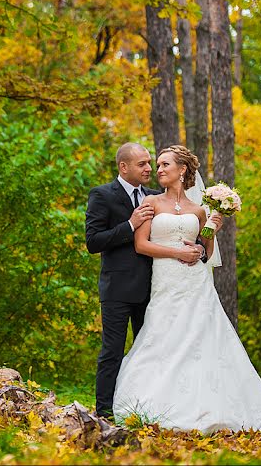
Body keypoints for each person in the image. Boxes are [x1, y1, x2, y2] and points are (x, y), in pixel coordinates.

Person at [112, 144, 261, 433]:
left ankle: (209, 402)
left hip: (196, 281)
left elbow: (205, 252)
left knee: (202, 336)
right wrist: (176, 254)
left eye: (164, 165)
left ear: (182, 170)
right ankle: (149, 402)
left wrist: (212, 230)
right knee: (162, 334)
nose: (158, 171)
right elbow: (141, 245)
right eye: (156, 166)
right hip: (167, 280)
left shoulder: (199, 210)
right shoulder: (151, 204)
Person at [85, 142, 221, 422]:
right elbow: (93, 241)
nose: (151, 168)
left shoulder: (156, 196)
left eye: (155, 164)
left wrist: (202, 241)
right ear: (124, 167)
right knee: (113, 350)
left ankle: (155, 405)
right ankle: (105, 412)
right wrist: (131, 224)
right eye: (145, 164)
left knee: (154, 350)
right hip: (119, 288)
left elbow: (197, 243)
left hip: (157, 287)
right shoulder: (102, 195)